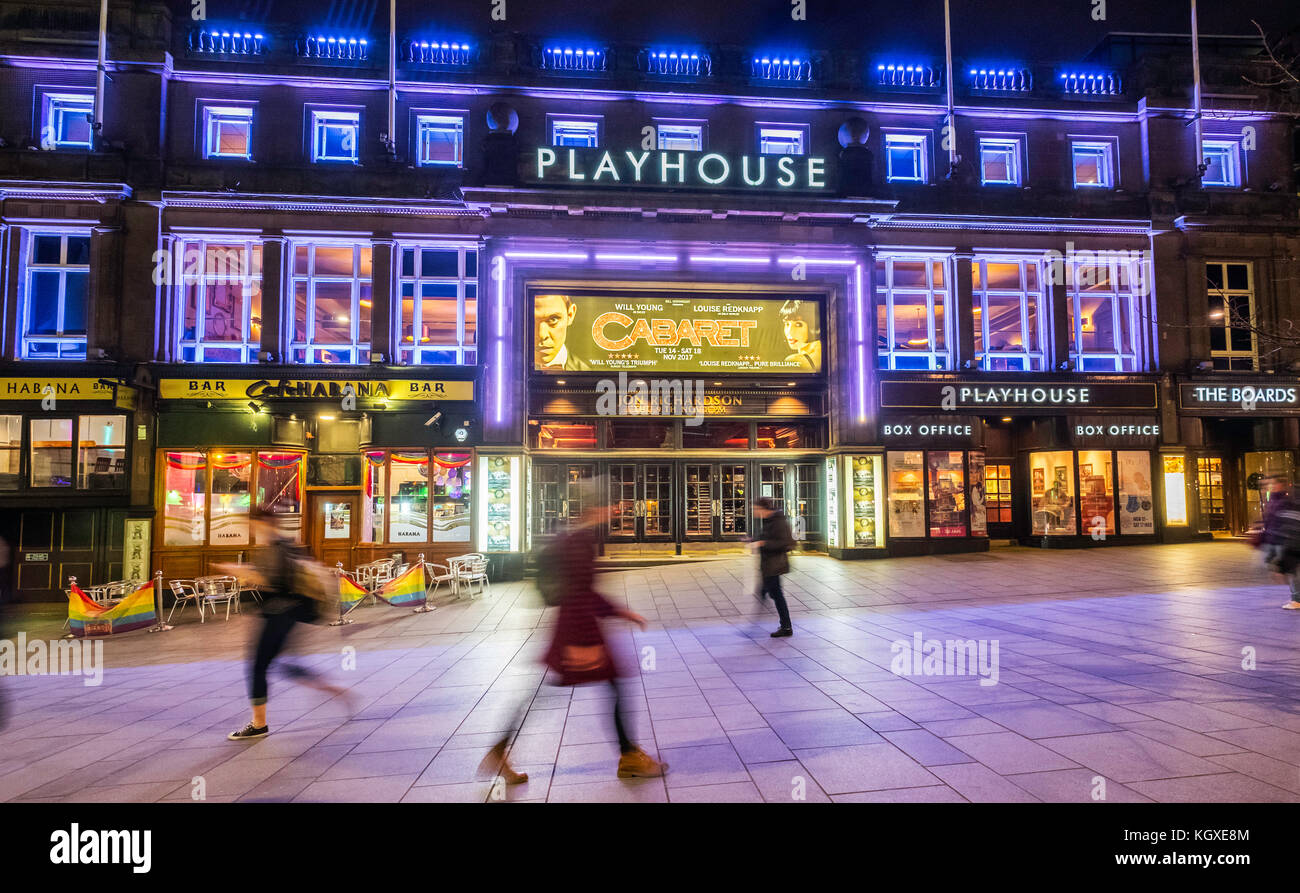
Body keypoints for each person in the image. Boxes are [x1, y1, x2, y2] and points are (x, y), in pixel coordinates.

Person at [480, 492, 666, 784]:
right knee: (558, 692)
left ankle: (500, 750)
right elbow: (580, 595)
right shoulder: (578, 543)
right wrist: (584, 643)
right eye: (611, 504)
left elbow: (582, 592)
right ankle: (628, 757)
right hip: (577, 631)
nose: (615, 509)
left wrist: (621, 613)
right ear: (596, 506)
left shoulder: (575, 538)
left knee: (581, 689)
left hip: (575, 628)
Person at [226, 512, 349, 740]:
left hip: (277, 615)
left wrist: (241, 572)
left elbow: (272, 582)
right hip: (291, 614)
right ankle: (332, 689)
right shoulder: (288, 544)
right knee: (282, 663)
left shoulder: (272, 548)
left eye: (251, 524)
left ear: (261, 523)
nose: (250, 529)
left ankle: (259, 724)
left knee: (258, 667)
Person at [753, 497, 796, 638]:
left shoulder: (778, 521)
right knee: (771, 592)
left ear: (762, 509)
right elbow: (767, 537)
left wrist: (763, 544)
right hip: (768, 565)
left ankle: (786, 627)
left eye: (755, 509)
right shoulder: (770, 520)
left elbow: (786, 543)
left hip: (775, 564)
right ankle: (784, 624)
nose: (754, 511)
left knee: (776, 595)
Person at [1258, 475, 1300, 610]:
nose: (1269, 487)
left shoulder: (1284, 501)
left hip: (1286, 539)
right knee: (1291, 570)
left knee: (1292, 570)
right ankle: (1296, 597)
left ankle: (1296, 599)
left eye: (1272, 484)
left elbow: (1282, 522)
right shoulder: (1275, 500)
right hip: (1281, 538)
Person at [534, 293, 592, 371]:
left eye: (553, 319)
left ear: (570, 315)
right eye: (531, 320)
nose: (542, 335)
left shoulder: (587, 371)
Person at [780, 299, 822, 371]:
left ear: (812, 326)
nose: (789, 332)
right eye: (787, 324)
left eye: (798, 324)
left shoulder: (793, 361)